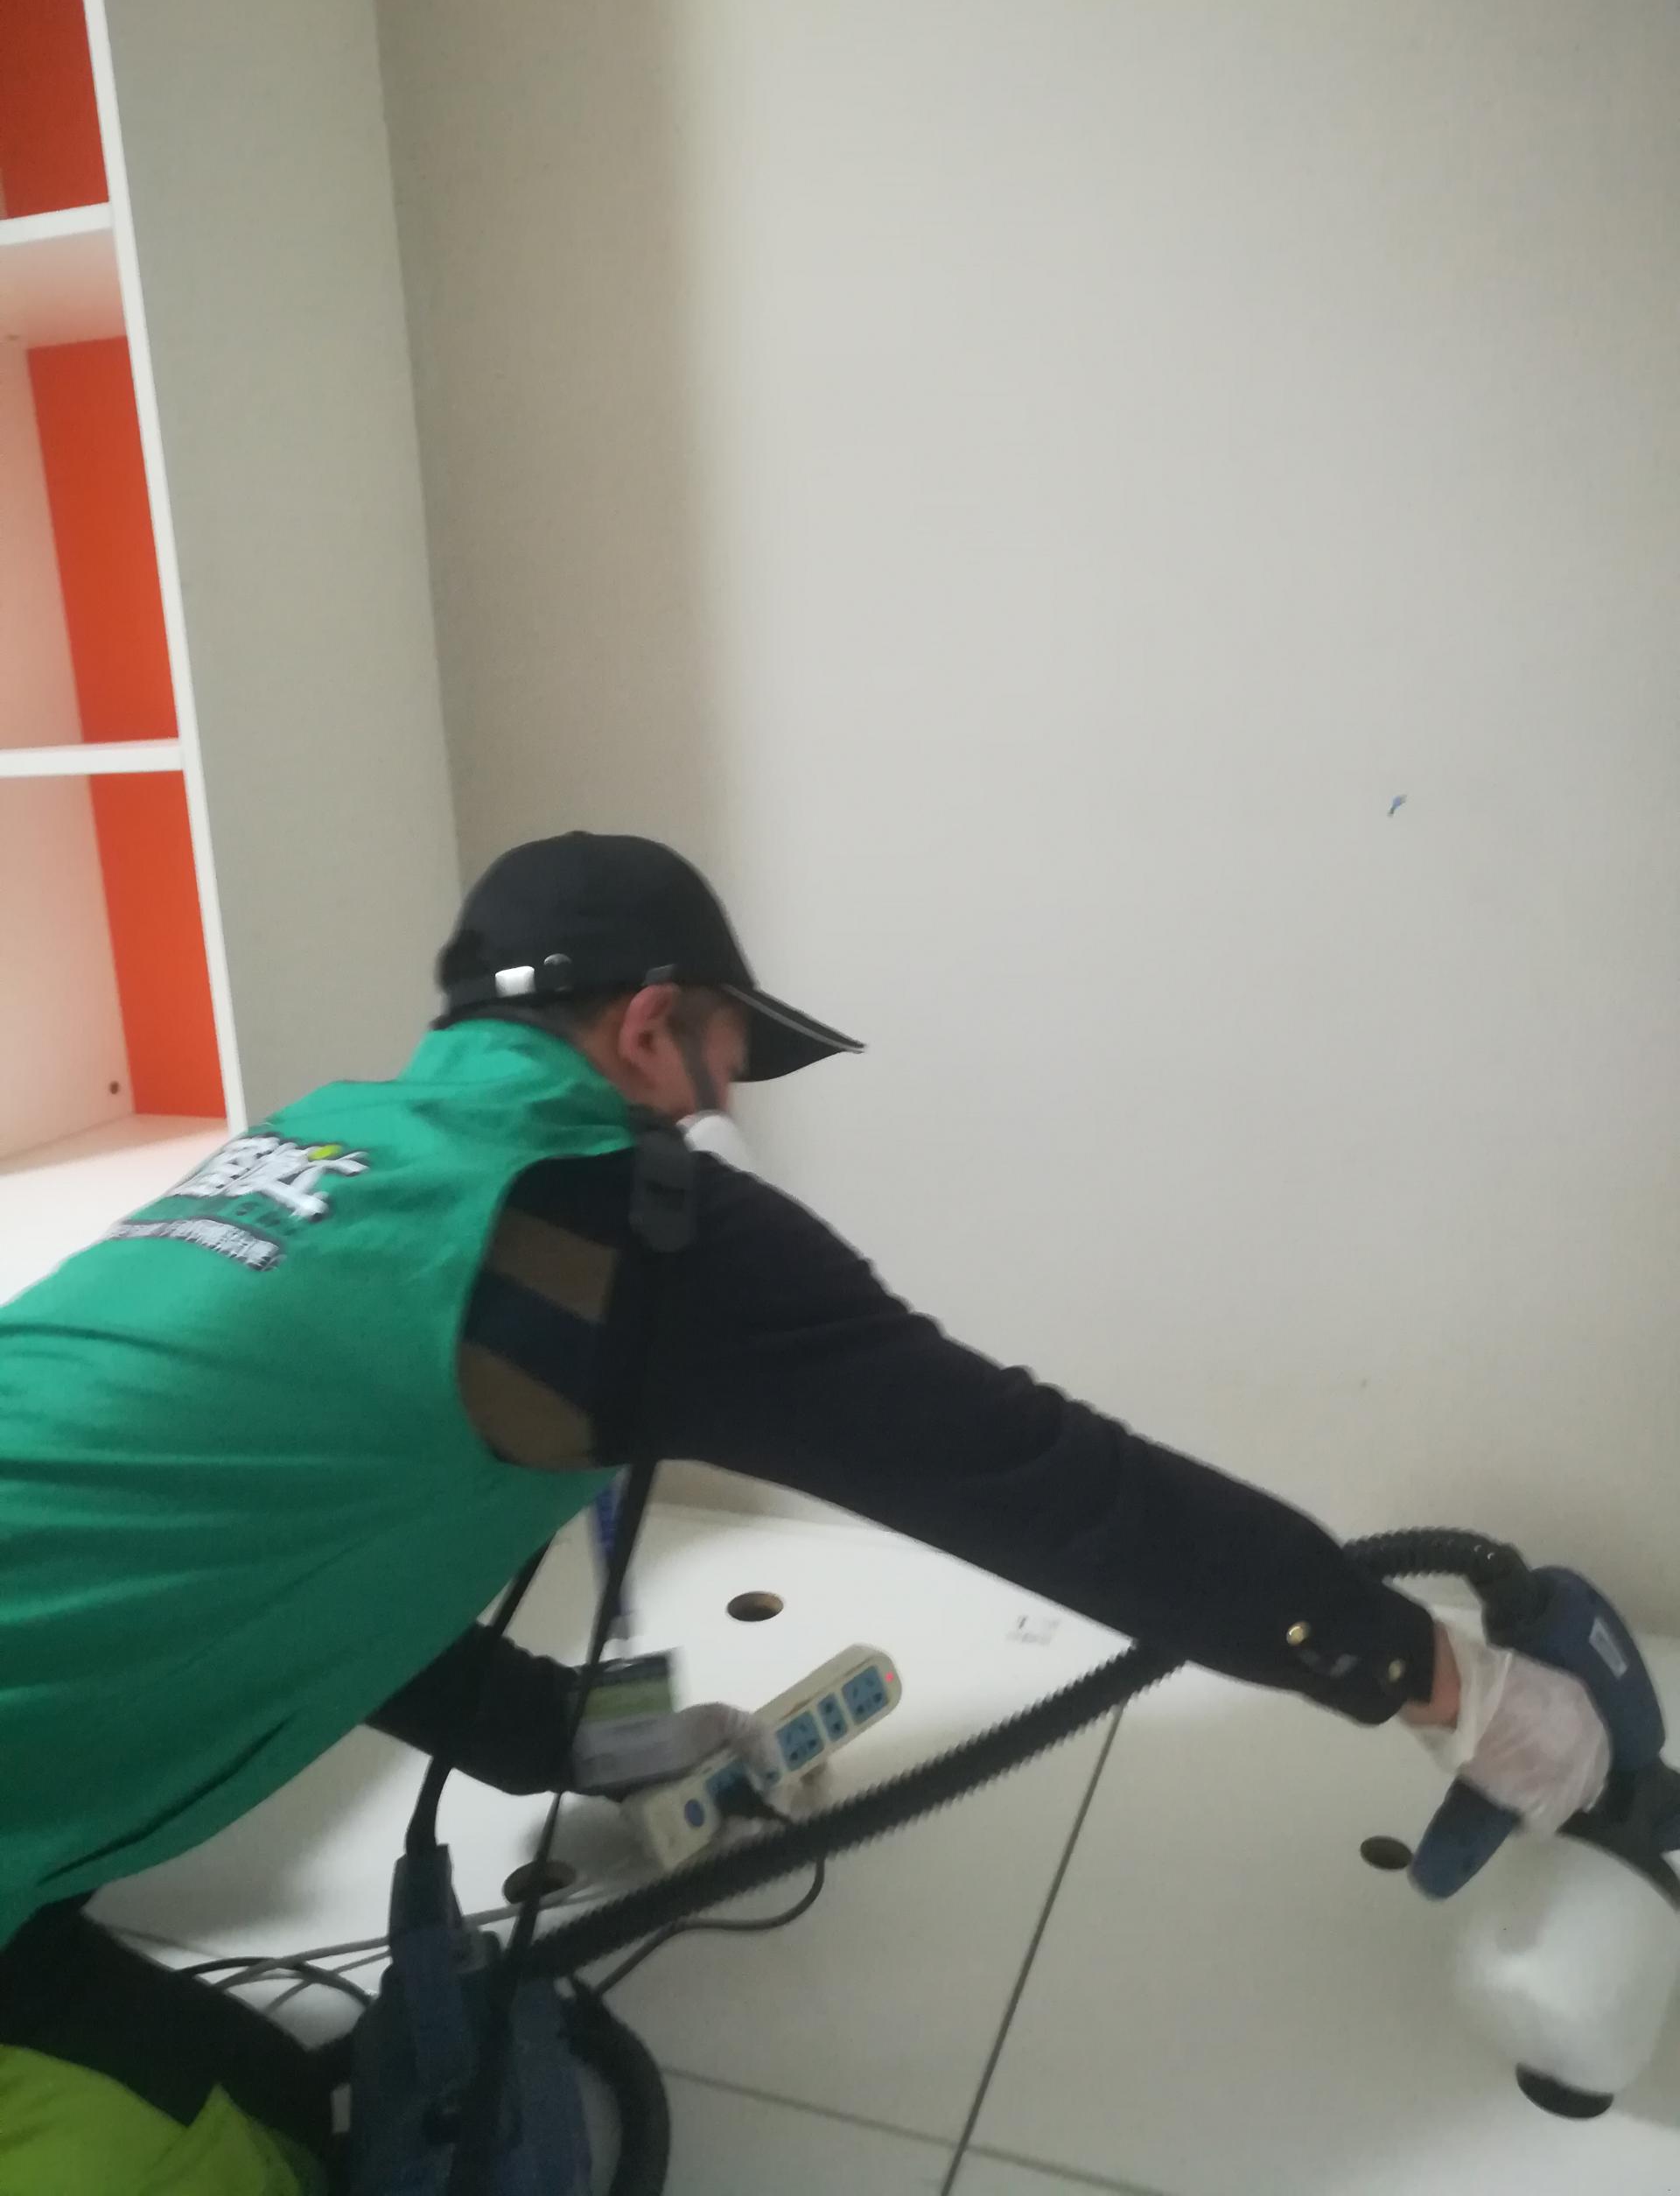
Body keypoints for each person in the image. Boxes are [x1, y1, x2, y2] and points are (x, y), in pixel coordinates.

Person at [0, 831, 1610, 2192]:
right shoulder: (625, 1235)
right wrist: (1445, 1683)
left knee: (245, 2086)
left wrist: (574, 1737)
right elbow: (1061, 1491)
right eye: (726, 1051)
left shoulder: (321, 1140)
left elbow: (287, 1550)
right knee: (249, 2156)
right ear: (650, 1029)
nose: (729, 1093)